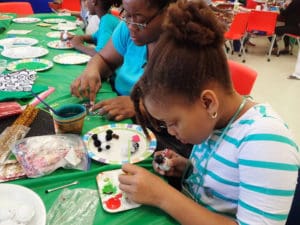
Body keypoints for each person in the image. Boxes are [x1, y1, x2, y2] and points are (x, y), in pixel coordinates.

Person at [119, 1, 300, 224]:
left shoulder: (266, 141)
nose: (171, 132)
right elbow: (223, 184)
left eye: (173, 122)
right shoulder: (213, 123)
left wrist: (162, 196)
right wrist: (186, 168)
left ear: (208, 103)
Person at [70, 0, 176, 122]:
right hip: (120, 106)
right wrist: (92, 70)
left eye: (140, 19)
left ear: (168, 12)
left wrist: (141, 105)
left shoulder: (185, 48)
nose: (130, 26)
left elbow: (186, 106)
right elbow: (104, 59)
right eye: (126, 14)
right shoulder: (126, 29)